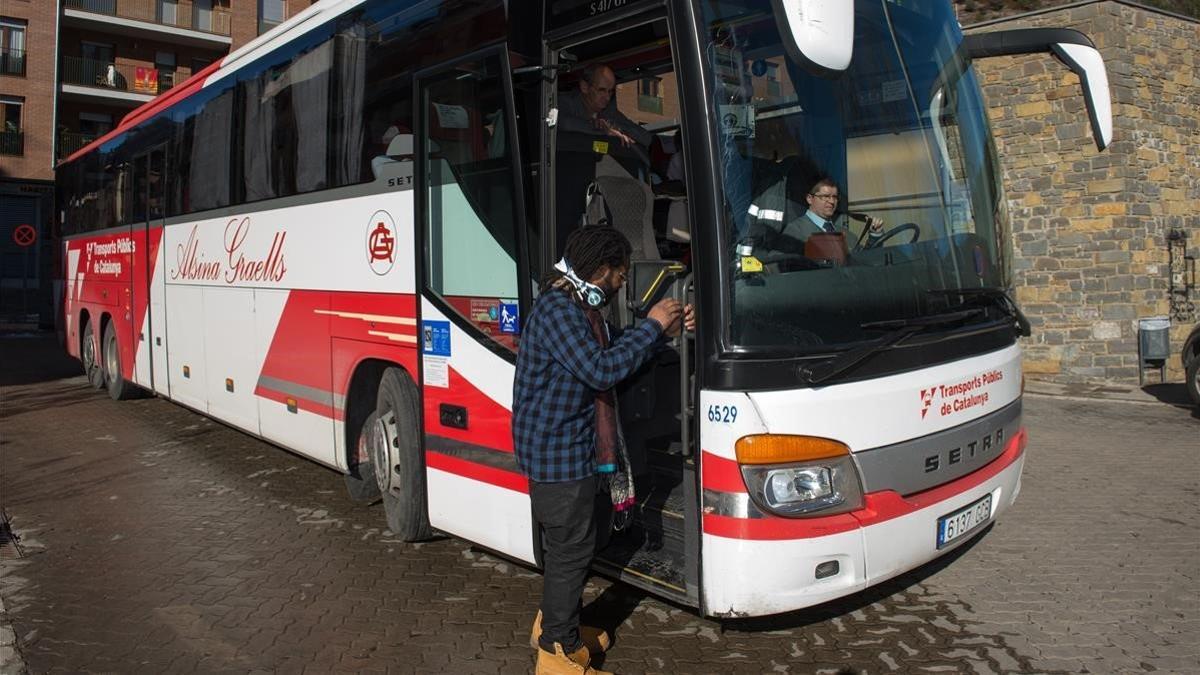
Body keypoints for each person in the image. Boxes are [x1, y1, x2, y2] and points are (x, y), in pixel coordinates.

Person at [513, 226, 693, 674]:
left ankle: (557, 626)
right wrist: (651, 325)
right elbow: (600, 369)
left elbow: (618, 352)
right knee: (571, 550)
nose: (622, 282)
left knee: (575, 547)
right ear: (600, 271)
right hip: (557, 454)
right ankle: (556, 653)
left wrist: (664, 333)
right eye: (619, 274)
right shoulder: (559, 310)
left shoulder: (581, 309)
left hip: (575, 450)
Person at [747, 177, 885, 262]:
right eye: (825, 196)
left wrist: (874, 236)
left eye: (835, 197)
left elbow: (864, 262)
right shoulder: (795, 231)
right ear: (809, 199)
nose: (831, 202)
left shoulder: (847, 235)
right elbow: (781, 266)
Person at [558, 64, 653, 150]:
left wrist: (614, 128)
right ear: (585, 87)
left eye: (610, 91)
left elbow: (647, 138)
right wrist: (603, 131)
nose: (607, 97)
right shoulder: (566, 102)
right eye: (602, 90)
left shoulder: (608, 112)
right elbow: (564, 123)